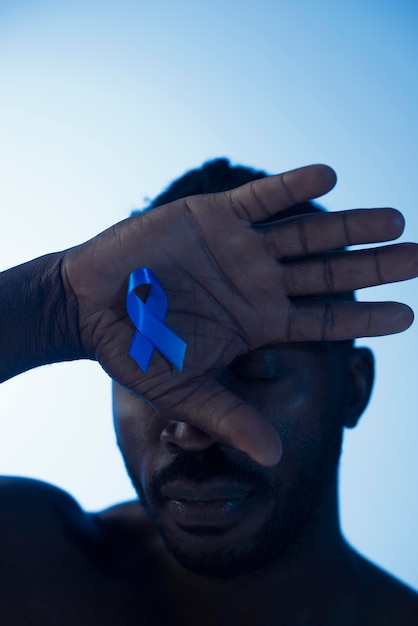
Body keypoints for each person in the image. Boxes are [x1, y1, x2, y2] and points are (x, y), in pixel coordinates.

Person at [0, 160, 417, 625]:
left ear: (354, 390)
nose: (189, 430)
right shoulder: (27, 557)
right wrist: (49, 307)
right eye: (150, 367)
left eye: (257, 370)